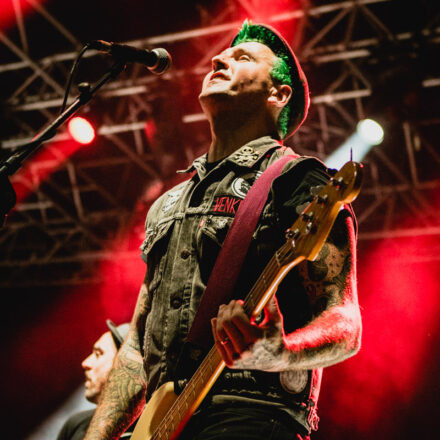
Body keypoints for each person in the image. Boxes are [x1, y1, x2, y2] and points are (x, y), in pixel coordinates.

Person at [84, 20, 362, 440]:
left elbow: (346, 324)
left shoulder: (298, 182)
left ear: (277, 94)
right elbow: (137, 349)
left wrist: (279, 352)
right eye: (223, 55)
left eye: (243, 57)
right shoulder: (169, 203)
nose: (218, 58)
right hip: (164, 417)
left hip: (252, 414)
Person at [57, 320, 132, 440]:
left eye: (98, 354)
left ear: (125, 365)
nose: (85, 363)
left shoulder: (152, 422)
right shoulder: (77, 424)